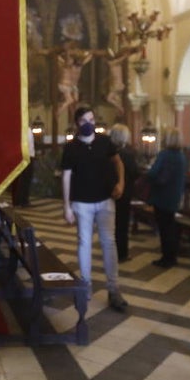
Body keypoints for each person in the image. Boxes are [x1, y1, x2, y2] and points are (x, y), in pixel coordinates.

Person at [62, 105, 128, 311]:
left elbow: (118, 162)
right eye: (84, 121)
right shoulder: (71, 147)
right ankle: (86, 284)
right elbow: (66, 176)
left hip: (105, 200)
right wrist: (67, 206)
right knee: (84, 243)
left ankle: (113, 287)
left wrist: (121, 183)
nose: (89, 124)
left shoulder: (104, 142)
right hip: (81, 202)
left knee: (109, 243)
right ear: (77, 124)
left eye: (91, 119)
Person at [146, 126, 187, 268]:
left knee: (164, 229)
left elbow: (153, 173)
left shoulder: (165, 154)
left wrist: (149, 172)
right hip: (174, 196)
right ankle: (172, 256)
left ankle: (166, 258)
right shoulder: (181, 156)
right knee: (171, 227)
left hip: (162, 195)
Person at [109, 124, 140, 261]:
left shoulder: (108, 152)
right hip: (124, 192)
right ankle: (122, 253)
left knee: (111, 223)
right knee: (122, 223)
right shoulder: (127, 154)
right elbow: (135, 172)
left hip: (109, 192)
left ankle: (111, 250)